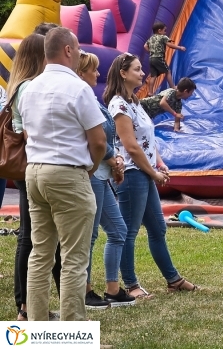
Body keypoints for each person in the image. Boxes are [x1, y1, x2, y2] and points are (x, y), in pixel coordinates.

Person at [19, 27, 107, 321]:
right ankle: (72, 333)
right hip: (67, 172)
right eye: (78, 48)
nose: (80, 53)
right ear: (68, 50)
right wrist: (90, 167)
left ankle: (38, 328)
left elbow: (29, 132)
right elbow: (98, 141)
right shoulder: (78, 88)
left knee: (40, 254)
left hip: (34, 172)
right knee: (73, 258)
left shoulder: (30, 88)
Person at [104, 52, 200, 298]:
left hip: (145, 172)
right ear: (123, 73)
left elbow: (147, 138)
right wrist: (154, 174)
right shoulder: (118, 105)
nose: (143, 73)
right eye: (137, 69)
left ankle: (173, 279)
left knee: (158, 229)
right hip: (134, 173)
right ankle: (131, 285)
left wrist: (159, 162)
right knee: (129, 231)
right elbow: (131, 146)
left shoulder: (136, 101)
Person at [6, 33, 61, 321]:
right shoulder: (30, 88)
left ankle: (28, 306)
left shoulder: (20, 86)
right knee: (30, 238)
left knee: (34, 238)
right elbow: (32, 133)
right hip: (35, 168)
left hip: (30, 170)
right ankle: (26, 308)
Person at [76, 51, 134, 309]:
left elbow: (106, 138)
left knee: (118, 230)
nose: (98, 74)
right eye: (93, 70)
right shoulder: (81, 97)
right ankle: (85, 291)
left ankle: (112, 289)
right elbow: (95, 138)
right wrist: (113, 160)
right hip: (92, 173)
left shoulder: (92, 97)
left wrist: (115, 158)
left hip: (102, 173)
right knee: (88, 236)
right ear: (81, 72)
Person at [143, 22, 185, 94]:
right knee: (167, 71)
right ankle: (173, 87)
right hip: (159, 58)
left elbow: (145, 46)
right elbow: (169, 45)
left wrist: (151, 51)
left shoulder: (151, 38)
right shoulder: (163, 37)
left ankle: (150, 92)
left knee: (153, 76)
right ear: (159, 31)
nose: (165, 32)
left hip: (151, 59)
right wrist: (179, 47)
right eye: (164, 30)